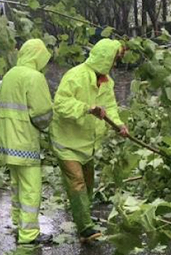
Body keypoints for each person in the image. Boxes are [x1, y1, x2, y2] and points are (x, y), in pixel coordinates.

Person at [50, 39, 129, 243]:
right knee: (77, 183)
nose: (114, 64)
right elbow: (60, 104)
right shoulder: (75, 76)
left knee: (88, 183)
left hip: (88, 144)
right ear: (105, 58)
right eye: (113, 60)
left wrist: (119, 125)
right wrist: (88, 108)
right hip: (67, 142)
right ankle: (86, 228)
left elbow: (110, 107)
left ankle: (83, 216)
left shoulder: (106, 82)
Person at [0, 39, 54, 245]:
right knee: (31, 188)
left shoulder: (10, 75)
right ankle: (29, 234)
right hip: (24, 140)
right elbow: (42, 113)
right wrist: (46, 127)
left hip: (7, 140)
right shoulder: (34, 77)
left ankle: (18, 222)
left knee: (17, 185)